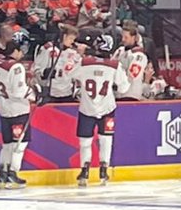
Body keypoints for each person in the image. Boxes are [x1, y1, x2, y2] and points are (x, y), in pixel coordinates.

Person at [75, 31, 130, 187]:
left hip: (86, 107)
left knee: (85, 141)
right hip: (107, 107)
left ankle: (84, 170)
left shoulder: (84, 63)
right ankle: (104, 169)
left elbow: (69, 76)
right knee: (106, 139)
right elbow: (124, 88)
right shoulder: (114, 65)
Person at [0, 28, 34, 189]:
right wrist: (34, 94)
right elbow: (19, 91)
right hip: (18, 110)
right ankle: (12, 173)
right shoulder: (17, 67)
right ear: (15, 50)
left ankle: (2, 173)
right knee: (19, 144)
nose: (22, 53)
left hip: (4, 109)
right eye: (21, 50)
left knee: (8, 144)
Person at [34, 23, 83, 102]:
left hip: (67, 93)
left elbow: (77, 73)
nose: (72, 41)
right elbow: (36, 69)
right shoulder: (48, 49)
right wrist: (44, 73)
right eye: (70, 38)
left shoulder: (73, 53)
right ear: (63, 36)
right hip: (50, 93)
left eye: (73, 39)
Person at [112, 20, 149, 100]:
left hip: (131, 96)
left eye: (126, 37)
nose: (123, 39)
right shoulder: (119, 51)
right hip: (117, 95)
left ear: (134, 37)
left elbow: (132, 76)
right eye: (122, 36)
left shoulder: (139, 55)